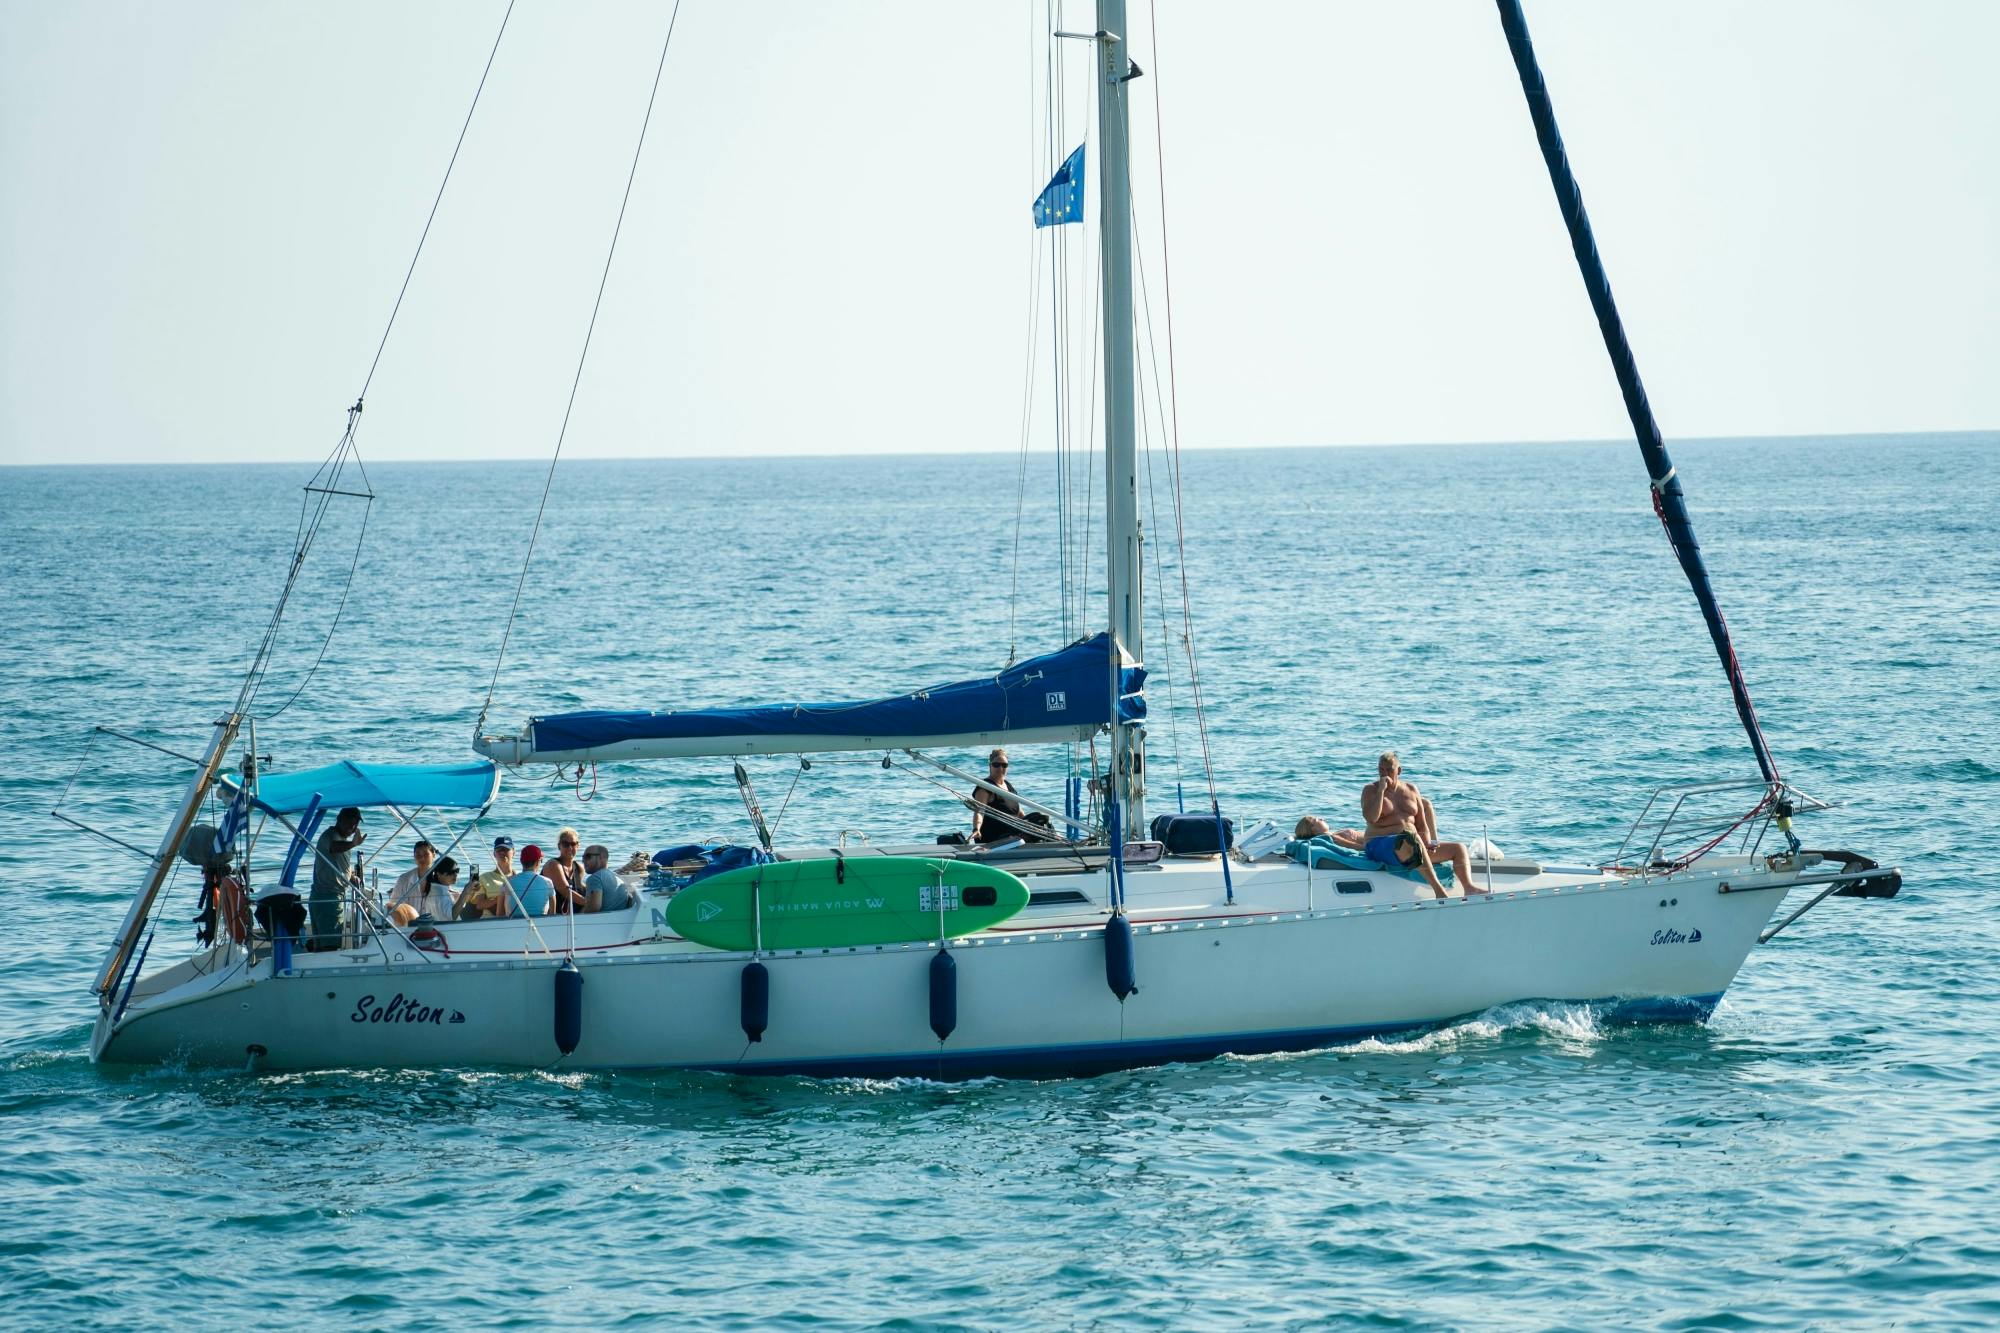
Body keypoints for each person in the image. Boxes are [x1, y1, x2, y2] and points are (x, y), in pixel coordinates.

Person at [1359, 751, 1484, 896]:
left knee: (1458, 848)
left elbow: (1422, 823)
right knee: (1412, 839)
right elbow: (1371, 818)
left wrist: (1429, 843)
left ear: (1399, 770)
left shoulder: (1411, 790)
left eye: (1389, 770)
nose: (1384, 774)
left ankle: (1469, 888)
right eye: (1381, 770)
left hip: (1410, 846)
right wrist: (1381, 791)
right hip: (1378, 844)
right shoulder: (1370, 790)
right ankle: (1439, 891)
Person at [308, 806, 365, 950]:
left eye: (356, 824)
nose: (352, 827)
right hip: (328, 897)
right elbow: (334, 847)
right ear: (339, 819)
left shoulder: (341, 839)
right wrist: (353, 843)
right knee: (330, 946)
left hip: (327, 896)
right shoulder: (330, 836)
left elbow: (337, 860)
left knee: (322, 944)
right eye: (349, 822)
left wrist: (350, 875)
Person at [970, 748, 1051, 845]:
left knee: (1041, 821)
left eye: (1004, 765)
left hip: (1013, 832)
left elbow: (1019, 812)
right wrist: (976, 828)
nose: (1000, 768)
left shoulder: (1008, 786)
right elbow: (979, 811)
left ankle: (1059, 846)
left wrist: (1031, 825)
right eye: (996, 765)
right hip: (995, 837)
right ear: (990, 766)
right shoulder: (985, 788)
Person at [390, 855, 460, 927]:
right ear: (439, 874)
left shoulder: (441, 889)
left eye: (457, 871)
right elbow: (452, 916)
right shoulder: (439, 893)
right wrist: (466, 892)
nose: (455, 875)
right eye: (451, 872)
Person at [460, 837, 516, 921]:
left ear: (513, 852)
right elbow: (480, 904)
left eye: (505, 849)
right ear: (494, 854)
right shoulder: (485, 877)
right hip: (490, 920)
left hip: (515, 920)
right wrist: (498, 899)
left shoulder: (518, 877)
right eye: (499, 850)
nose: (502, 852)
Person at [386, 841, 437, 920]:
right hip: (408, 925)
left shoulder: (440, 880)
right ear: (414, 857)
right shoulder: (403, 879)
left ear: (433, 855)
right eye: (418, 855)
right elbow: (393, 906)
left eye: (426, 854)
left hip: (435, 926)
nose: (422, 858)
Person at [544, 827, 588, 915]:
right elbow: (565, 891)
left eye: (573, 844)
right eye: (566, 844)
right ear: (559, 846)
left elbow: (581, 889)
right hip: (555, 918)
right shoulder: (553, 865)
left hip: (575, 917)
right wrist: (589, 903)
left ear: (578, 846)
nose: (570, 847)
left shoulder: (579, 868)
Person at [507, 844, 556, 918]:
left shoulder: (509, 881)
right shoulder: (547, 882)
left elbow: (500, 913)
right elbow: (552, 913)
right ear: (537, 862)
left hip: (514, 924)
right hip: (541, 924)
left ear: (521, 861)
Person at [581, 844, 634, 912]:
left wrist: (578, 915)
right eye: (583, 857)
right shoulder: (615, 877)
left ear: (601, 858)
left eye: (587, 856)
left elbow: (594, 907)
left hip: (603, 921)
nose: (583, 860)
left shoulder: (595, 878)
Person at [1293, 816, 1365, 849]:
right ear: (1314, 829)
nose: (1322, 818)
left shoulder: (1331, 835)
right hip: (1373, 841)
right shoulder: (1332, 838)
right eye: (1318, 820)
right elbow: (1355, 847)